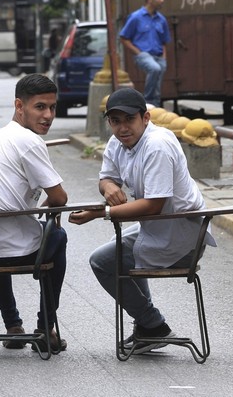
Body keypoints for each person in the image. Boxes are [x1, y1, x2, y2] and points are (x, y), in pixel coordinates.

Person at [68, 87, 212, 354]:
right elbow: (106, 177)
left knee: (103, 260)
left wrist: (101, 213)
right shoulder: (118, 141)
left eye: (129, 120)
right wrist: (107, 186)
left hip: (184, 237)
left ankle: (153, 325)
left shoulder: (157, 145)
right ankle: (149, 327)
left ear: (145, 118)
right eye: (115, 121)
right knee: (117, 248)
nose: (122, 128)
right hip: (158, 229)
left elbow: (154, 205)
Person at [0, 74, 69, 353]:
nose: (48, 115)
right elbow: (60, 197)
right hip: (12, 248)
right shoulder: (28, 141)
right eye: (40, 107)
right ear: (19, 106)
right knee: (57, 236)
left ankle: (13, 326)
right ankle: (45, 327)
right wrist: (45, 211)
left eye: (52, 107)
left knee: (2, 235)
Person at [119, 0, 171, 107]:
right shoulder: (136, 17)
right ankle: (147, 101)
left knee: (158, 82)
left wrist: (164, 57)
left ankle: (155, 107)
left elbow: (164, 41)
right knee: (154, 69)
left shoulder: (161, 19)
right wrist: (138, 53)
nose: (162, 0)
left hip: (159, 56)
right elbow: (123, 37)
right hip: (143, 55)